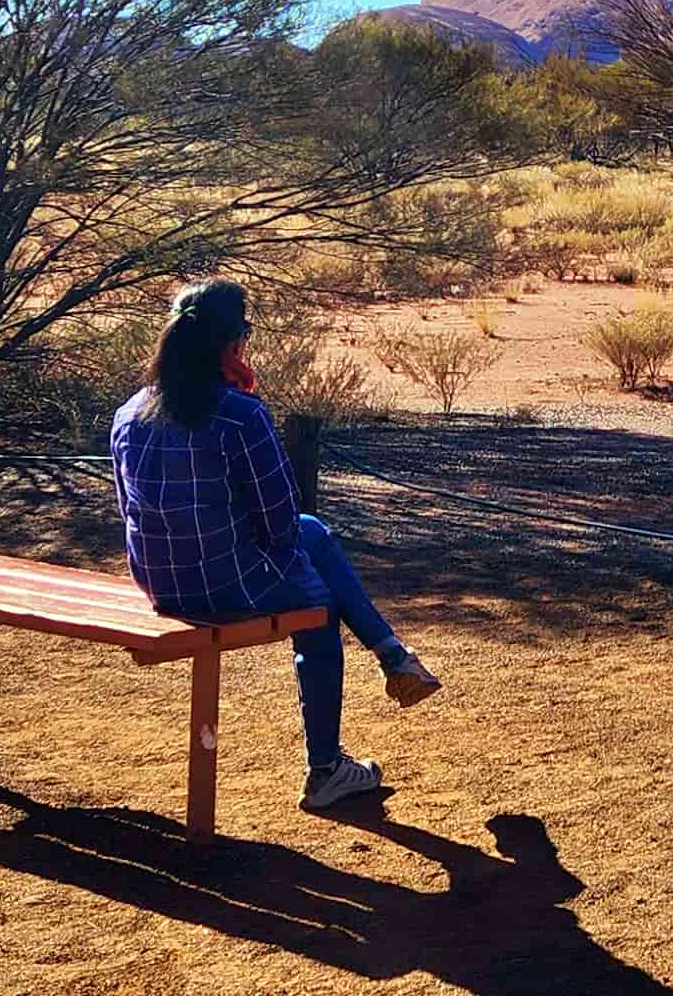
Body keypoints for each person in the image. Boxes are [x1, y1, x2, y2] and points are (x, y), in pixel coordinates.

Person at [110, 280, 442, 810]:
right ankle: (328, 763)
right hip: (222, 586)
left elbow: (129, 509)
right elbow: (280, 521)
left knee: (314, 536)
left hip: (159, 584)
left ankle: (395, 659)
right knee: (319, 600)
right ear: (233, 344)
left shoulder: (130, 413)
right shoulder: (239, 414)